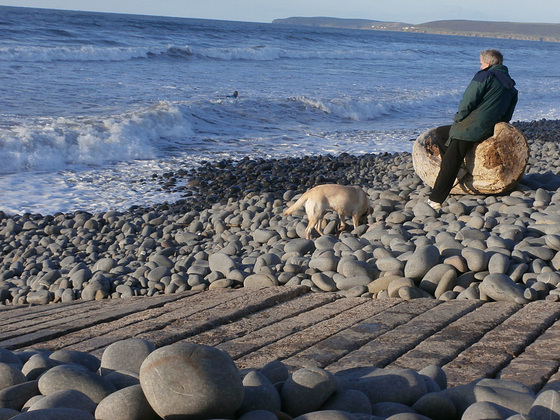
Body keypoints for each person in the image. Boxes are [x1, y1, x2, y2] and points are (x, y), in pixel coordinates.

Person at [427, 49, 518, 210]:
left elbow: (468, 100)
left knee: (451, 161)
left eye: (481, 62)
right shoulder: (511, 85)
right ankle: (461, 167)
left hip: (471, 127)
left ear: (488, 63)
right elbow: (508, 115)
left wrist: (459, 117)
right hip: (489, 128)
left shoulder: (485, 75)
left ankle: (435, 199)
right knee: (441, 133)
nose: (480, 65)